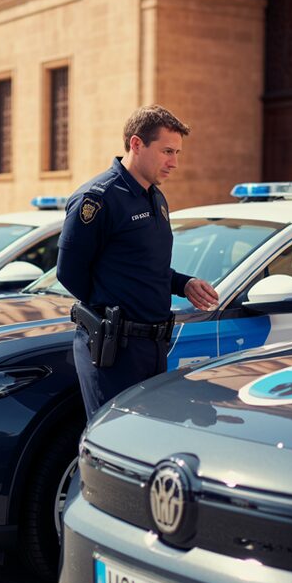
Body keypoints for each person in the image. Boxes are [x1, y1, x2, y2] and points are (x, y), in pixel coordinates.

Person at [56, 105, 219, 418]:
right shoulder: (98, 197)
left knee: (145, 443)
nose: (174, 162)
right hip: (114, 350)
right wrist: (108, 313)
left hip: (153, 347)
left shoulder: (155, 197)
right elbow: (69, 273)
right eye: (167, 151)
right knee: (113, 445)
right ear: (136, 144)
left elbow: (143, 268)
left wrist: (183, 284)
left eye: (178, 153)